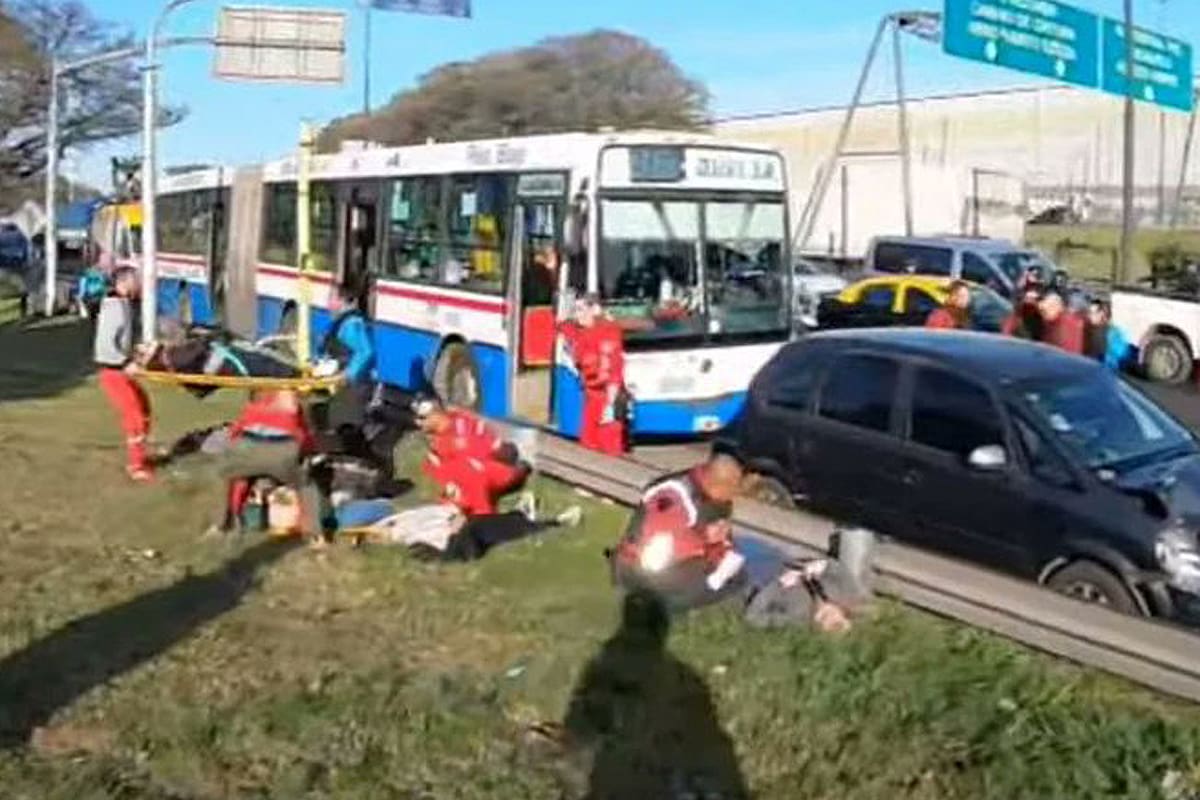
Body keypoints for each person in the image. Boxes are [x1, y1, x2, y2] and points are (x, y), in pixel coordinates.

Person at [609, 453, 747, 611]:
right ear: (715, 483)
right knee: (714, 584)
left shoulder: (714, 498)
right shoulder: (673, 495)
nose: (735, 494)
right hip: (638, 568)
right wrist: (705, 540)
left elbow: (719, 531)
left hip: (673, 560)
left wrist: (723, 548)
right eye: (732, 489)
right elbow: (662, 541)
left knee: (735, 574)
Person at [210, 389, 324, 539]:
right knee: (306, 485)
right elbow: (305, 439)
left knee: (232, 476)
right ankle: (315, 534)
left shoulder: (252, 406)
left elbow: (234, 432)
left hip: (247, 450)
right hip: (282, 454)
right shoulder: (293, 408)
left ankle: (224, 524)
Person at [417, 399, 530, 516]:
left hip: (493, 472)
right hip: (470, 480)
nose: (418, 423)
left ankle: (485, 517)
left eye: (422, 418)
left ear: (436, 415)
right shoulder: (435, 441)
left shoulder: (464, 428)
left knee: (469, 472)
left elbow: (485, 461)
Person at [93, 266, 153, 482]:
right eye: (136, 280)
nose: (139, 284)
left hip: (121, 369)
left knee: (144, 409)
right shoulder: (113, 307)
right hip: (113, 372)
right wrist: (125, 362)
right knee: (134, 415)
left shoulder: (124, 304)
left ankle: (140, 455)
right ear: (125, 282)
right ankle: (136, 466)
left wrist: (137, 351)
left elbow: (121, 339)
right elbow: (104, 345)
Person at [559, 295, 630, 455]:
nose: (577, 315)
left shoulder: (607, 333)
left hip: (606, 397)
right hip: (591, 396)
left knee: (608, 447)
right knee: (588, 444)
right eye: (575, 310)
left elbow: (613, 371)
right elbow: (561, 326)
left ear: (594, 310)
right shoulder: (577, 331)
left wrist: (610, 406)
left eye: (581, 310)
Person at [1084, 299, 1132, 371]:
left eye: (1092, 313)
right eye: (1088, 312)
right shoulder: (1115, 330)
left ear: (1102, 314)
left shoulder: (1103, 333)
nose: (1089, 316)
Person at [1033, 289, 1085, 355]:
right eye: (1041, 311)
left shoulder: (1065, 325)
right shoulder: (1050, 321)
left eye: (1050, 307)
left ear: (1059, 307)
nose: (1043, 314)